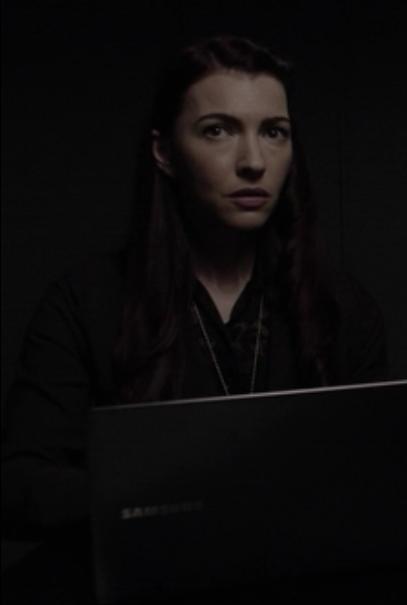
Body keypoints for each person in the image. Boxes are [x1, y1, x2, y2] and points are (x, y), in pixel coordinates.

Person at [1, 36, 387, 537]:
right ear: (164, 151)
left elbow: (378, 479)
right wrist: (190, 499)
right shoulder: (84, 303)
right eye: (218, 130)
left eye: (274, 132)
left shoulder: (342, 307)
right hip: (143, 578)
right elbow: (22, 484)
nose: (254, 161)